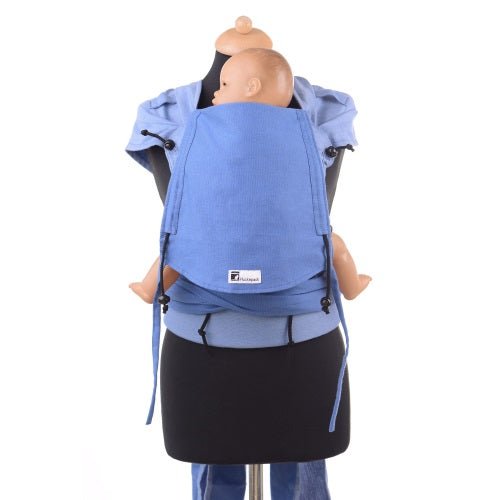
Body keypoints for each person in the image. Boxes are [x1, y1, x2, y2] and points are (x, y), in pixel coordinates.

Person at [129, 48, 371, 305]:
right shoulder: (311, 131)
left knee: (179, 250)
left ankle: (149, 287)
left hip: (211, 242)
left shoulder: (186, 127)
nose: (216, 92)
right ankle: (351, 286)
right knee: (336, 246)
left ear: (252, 87)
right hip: (289, 246)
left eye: (224, 85)